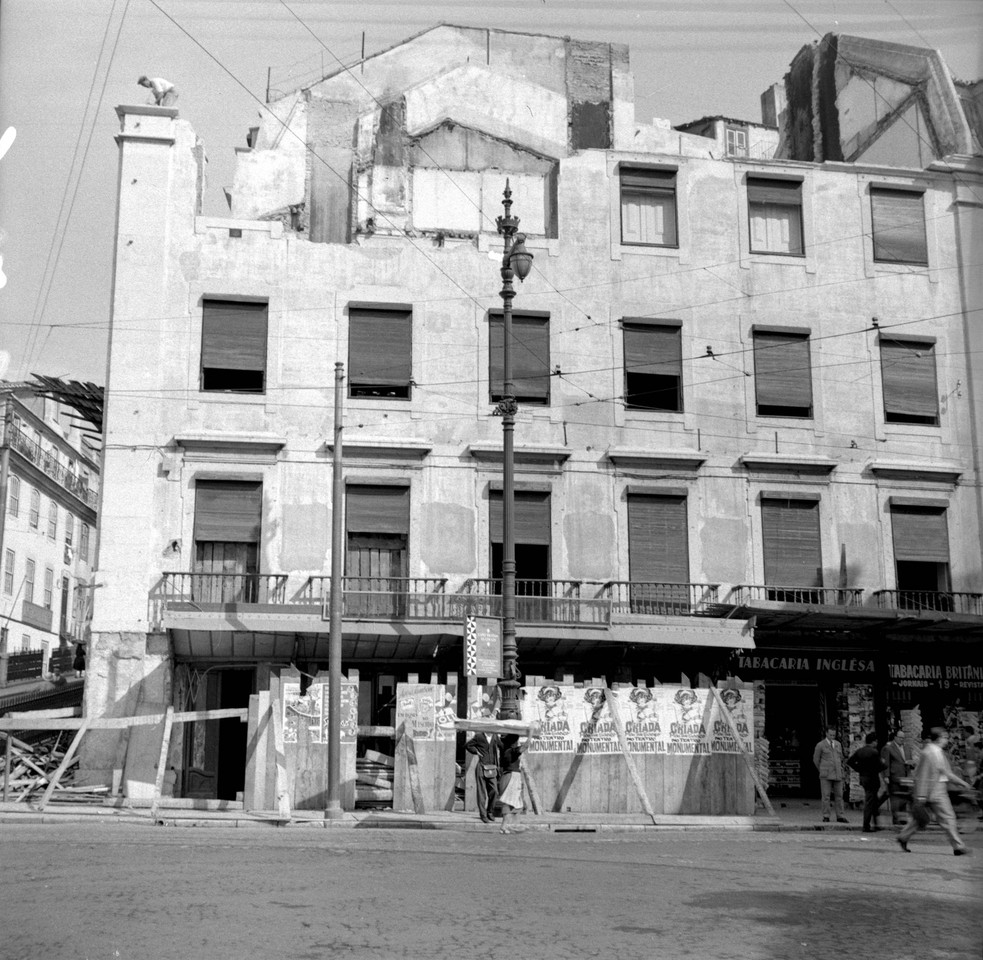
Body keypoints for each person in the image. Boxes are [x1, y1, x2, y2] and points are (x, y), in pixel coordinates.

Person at [897, 727, 973, 856]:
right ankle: (958, 847)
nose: (947, 740)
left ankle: (903, 836)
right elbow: (922, 775)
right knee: (948, 818)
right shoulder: (929, 752)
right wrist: (921, 795)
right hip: (933, 791)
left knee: (920, 820)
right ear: (939, 738)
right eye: (945, 737)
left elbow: (946, 772)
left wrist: (961, 783)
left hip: (936, 789)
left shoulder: (937, 752)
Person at [464, 706, 499, 824]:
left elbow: (501, 746)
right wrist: (476, 752)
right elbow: (468, 745)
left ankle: (490, 811)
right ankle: (483, 815)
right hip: (481, 767)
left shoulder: (495, 736)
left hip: (492, 768)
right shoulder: (479, 736)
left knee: (494, 791)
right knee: (481, 793)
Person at [847, 731, 886, 832]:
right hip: (872, 778)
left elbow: (850, 761)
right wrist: (883, 763)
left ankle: (875, 824)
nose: (876, 743)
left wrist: (859, 769)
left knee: (872, 800)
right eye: (876, 742)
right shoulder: (874, 752)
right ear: (873, 742)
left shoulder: (860, 751)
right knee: (870, 802)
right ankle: (866, 825)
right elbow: (880, 766)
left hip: (864, 778)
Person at [496, 730, 530, 834]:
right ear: (514, 742)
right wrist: (531, 734)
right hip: (512, 776)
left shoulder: (504, 750)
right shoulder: (512, 751)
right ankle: (504, 825)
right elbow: (525, 746)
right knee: (510, 801)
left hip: (507, 776)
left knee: (512, 802)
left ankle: (507, 825)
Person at [813, 725, 849, 823]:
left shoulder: (838, 744)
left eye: (834, 735)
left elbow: (840, 758)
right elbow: (816, 759)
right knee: (826, 796)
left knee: (839, 795)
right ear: (826, 734)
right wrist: (822, 769)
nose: (832, 736)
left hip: (837, 773)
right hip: (826, 774)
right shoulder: (820, 745)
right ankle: (826, 815)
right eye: (831, 734)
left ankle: (840, 815)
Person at [881, 730, 915, 825]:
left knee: (904, 798)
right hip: (894, 776)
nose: (902, 739)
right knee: (895, 799)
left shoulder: (907, 748)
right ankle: (896, 819)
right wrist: (886, 776)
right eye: (900, 737)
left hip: (905, 777)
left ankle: (903, 819)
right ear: (895, 737)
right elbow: (886, 763)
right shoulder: (888, 748)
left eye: (903, 738)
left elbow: (910, 760)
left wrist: (912, 764)